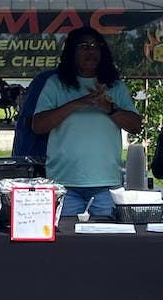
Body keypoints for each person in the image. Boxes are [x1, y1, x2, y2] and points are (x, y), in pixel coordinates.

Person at [32, 27, 141, 217]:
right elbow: (38, 125)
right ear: (71, 52)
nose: (90, 51)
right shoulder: (56, 84)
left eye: (95, 46)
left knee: (103, 244)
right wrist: (76, 104)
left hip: (105, 185)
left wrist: (110, 109)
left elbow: (135, 126)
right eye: (83, 46)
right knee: (64, 244)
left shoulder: (114, 86)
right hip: (63, 183)